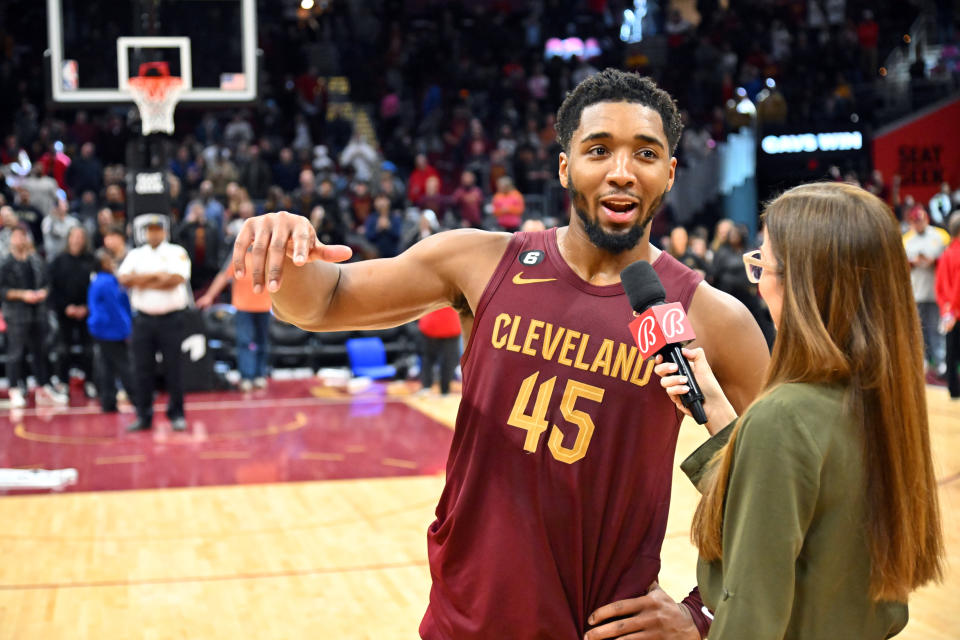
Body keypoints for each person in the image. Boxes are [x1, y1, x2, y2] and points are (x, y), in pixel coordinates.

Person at [232, 68, 770, 639]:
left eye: (645, 153)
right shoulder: (481, 260)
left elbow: (784, 487)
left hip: (603, 628)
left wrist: (704, 613)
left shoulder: (713, 316)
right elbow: (325, 301)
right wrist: (286, 254)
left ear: (668, 174)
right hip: (468, 621)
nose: (621, 172)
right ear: (565, 167)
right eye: (598, 150)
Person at [647, 182, 944, 639]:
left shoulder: (784, 419)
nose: (759, 277)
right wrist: (721, 415)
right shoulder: (876, 400)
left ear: (804, 284)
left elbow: (750, 617)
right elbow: (792, 506)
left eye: (762, 262)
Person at [117, 215, 191, 432]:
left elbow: (176, 280)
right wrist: (157, 277)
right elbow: (124, 279)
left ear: (164, 231)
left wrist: (141, 280)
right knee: (141, 369)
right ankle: (143, 415)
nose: (154, 233)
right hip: (143, 319)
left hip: (171, 318)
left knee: (174, 368)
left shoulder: (176, 252)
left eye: (157, 229)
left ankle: (176, 413)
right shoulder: (136, 254)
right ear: (145, 232)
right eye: (150, 230)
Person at [0, 227, 68, 407]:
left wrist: (43, 293)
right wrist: (23, 295)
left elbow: (47, 283)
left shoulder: (36, 260)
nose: (20, 239)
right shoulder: (5, 263)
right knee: (16, 352)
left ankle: (43, 386)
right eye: (16, 236)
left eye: (23, 235)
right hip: (15, 313)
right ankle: (14, 389)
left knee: (40, 351)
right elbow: (2, 291)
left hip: (38, 311)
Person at [196, 253, 273, 392]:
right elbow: (224, 276)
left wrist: (282, 307)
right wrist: (209, 296)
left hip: (265, 306)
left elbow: (279, 279)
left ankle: (260, 375)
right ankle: (246, 377)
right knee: (245, 342)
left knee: (262, 342)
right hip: (243, 307)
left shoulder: (268, 255)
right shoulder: (239, 255)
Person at [48, 225, 96, 397]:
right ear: (68, 238)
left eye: (80, 237)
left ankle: (90, 382)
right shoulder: (58, 261)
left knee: (89, 349)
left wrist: (87, 307)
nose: (77, 240)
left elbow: (96, 287)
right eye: (74, 236)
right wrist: (65, 307)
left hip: (87, 312)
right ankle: (62, 383)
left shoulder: (91, 260)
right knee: (63, 349)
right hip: (64, 312)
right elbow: (52, 289)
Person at [903, 205, 950, 375]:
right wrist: (912, 263)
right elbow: (900, 266)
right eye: (916, 222)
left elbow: (949, 260)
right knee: (918, 329)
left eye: (921, 220)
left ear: (926, 219)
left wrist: (934, 262)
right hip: (916, 290)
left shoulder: (940, 235)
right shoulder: (906, 239)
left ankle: (940, 360)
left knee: (937, 327)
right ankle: (921, 359)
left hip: (936, 290)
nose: (919, 224)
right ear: (912, 222)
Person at [87, 248, 136, 413]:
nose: (113, 262)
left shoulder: (99, 280)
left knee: (107, 366)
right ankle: (137, 399)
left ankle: (108, 401)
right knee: (124, 365)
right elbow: (115, 309)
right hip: (110, 330)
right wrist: (126, 329)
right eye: (109, 260)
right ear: (102, 264)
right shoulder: (107, 282)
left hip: (101, 329)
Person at [935, 212, 960, 399]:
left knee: (951, 353)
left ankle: (953, 389)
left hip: (949, 313)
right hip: (957, 311)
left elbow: (939, 286)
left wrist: (947, 310)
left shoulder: (946, 254)